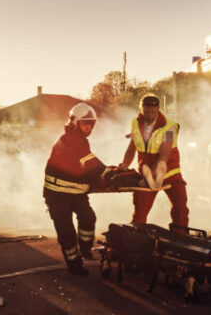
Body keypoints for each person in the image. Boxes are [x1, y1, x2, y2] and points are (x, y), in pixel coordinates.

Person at [44, 103, 110, 275]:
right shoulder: (70, 139)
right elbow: (92, 164)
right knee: (66, 232)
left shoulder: (79, 139)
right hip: (57, 195)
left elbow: (84, 167)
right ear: (74, 122)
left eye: (91, 124)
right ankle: (74, 265)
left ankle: (86, 248)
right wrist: (110, 174)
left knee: (88, 217)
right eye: (85, 123)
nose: (88, 127)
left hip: (75, 192)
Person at [119, 94, 189, 229]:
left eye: (153, 112)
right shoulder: (135, 123)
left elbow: (164, 156)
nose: (149, 116)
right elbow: (132, 147)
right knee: (140, 213)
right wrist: (124, 165)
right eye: (146, 112)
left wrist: (148, 176)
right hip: (146, 174)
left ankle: (181, 239)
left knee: (180, 210)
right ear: (141, 109)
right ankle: (135, 241)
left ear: (158, 110)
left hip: (170, 175)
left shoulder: (170, 128)